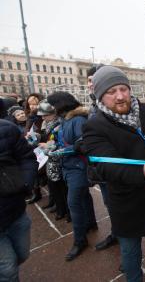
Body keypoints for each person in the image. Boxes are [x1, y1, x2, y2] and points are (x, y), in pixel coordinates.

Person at [82, 66, 145, 282]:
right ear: (100, 96)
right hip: (125, 203)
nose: (120, 96)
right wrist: (144, 169)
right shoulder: (95, 125)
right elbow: (106, 166)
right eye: (112, 92)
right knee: (131, 254)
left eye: (123, 89)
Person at [47, 91, 97, 261]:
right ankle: (91, 222)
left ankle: (80, 240)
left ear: (60, 105)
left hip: (77, 167)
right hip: (69, 166)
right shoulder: (66, 119)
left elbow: (83, 145)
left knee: (74, 203)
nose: (50, 109)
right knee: (83, 197)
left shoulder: (77, 120)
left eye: (52, 105)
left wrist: (61, 151)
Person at [0, 98, 38, 281]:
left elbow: (27, 158)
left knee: (21, 255)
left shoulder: (6, 129)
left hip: (16, 211)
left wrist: (25, 184)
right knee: (8, 268)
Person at [85, 63, 117, 250]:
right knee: (109, 203)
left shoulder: (111, 105)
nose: (90, 84)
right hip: (101, 168)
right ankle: (117, 233)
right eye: (89, 80)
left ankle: (126, 241)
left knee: (117, 204)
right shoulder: (94, 104)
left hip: (113, 165)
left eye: (94, 80)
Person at [37, 100, 70, 221]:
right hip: (51, 159)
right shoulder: (48, 124)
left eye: (46, 115)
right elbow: (48, 138)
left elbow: (60, 143)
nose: (43, 118)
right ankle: (60, 208)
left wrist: (48, 146)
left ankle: (65, 211)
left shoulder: (59, 125)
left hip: (59, 160)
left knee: (62, 188)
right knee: (54, 187)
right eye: (42, 115)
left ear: (54, 113)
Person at [23, 93, 45, 204]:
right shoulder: (30, 115)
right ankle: (36, 192)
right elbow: (27, 129)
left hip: (41, 143)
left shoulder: (41, 116)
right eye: (30, 104)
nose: (32, 106)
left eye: (34, 104)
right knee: (35, 169)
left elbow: (41, 131)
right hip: (32, 144)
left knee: (42, 170)